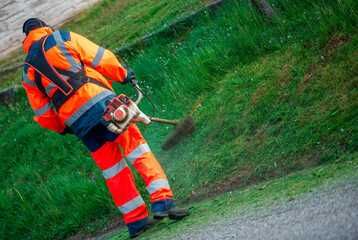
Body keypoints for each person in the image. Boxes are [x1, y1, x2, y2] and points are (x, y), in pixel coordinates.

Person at [21, 18, 188, 238]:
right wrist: (123, 74)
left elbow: (42, 112)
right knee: (137, 149)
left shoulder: (27, 71)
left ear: (26, 38)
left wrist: (63, 127)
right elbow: (99, 57)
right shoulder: (61, 37)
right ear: (45, 27)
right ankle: (163, 202)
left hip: (78, 123)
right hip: (103, 105)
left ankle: (136, 221)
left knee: (113, 171)